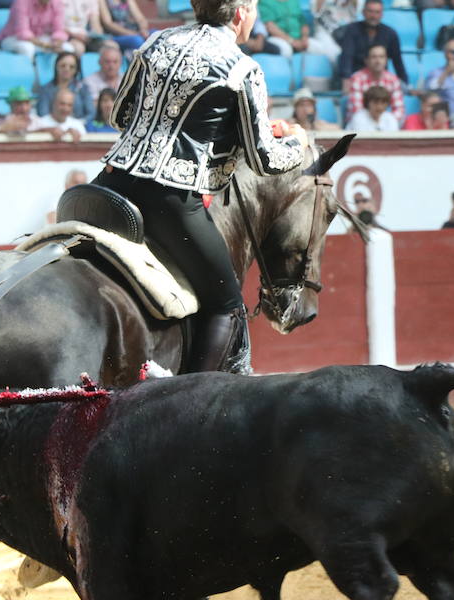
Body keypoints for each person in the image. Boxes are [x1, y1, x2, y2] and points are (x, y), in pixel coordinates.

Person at [93, 0, 309, 374]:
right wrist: (299, 143)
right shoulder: (242, 68)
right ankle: (188, 396)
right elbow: (265, 161)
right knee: (227, 305)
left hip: (109, 183)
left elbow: (119, 116)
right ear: (241, 13)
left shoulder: (155, 42)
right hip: (170, 202)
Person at [338, 0, 408, 91]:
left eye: (377, 12)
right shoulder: (352, 30)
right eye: (370, 11)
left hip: (382, 80)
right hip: (357, 80)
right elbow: (347, 56)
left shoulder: (390, 33)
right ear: (363, 12)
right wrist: (346, 82)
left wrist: (405, 85)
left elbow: (398, 62)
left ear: (382, 14)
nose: (373, 16)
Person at [347, 44, 405, 125]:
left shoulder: (393, 80)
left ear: (386, 60)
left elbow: (399, 110)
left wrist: (386, 123)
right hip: (361, 126)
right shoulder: (357, 78)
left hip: (386, 126)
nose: (378, 61)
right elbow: (356, 110)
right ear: (366, 60)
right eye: (374, 57)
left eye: (381, 57)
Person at [0, 0, 73, 59]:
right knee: (27, 48)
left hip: (40, 38)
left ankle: (56, 77)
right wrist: (45, 45)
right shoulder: (22, 2)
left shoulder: (57, 3)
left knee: (68, 48)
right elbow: (23, 32)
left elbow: (59, 29)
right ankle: (28, 76)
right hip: (13, 38)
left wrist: (57, 43)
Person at [36, 51, 96, 122]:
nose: (67, 69)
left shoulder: (83, 88)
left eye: (71, 67)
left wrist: (78, 124)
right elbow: (43, 114)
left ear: (76, 70)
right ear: (56, 66)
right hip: (52, 129)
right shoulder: (45, 89)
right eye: (63, 65)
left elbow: (91, 113)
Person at [310, 0, 358, 64]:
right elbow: (315, 11)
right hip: (326, 33)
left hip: (347, 33)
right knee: (336, 54)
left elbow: (357, 7)